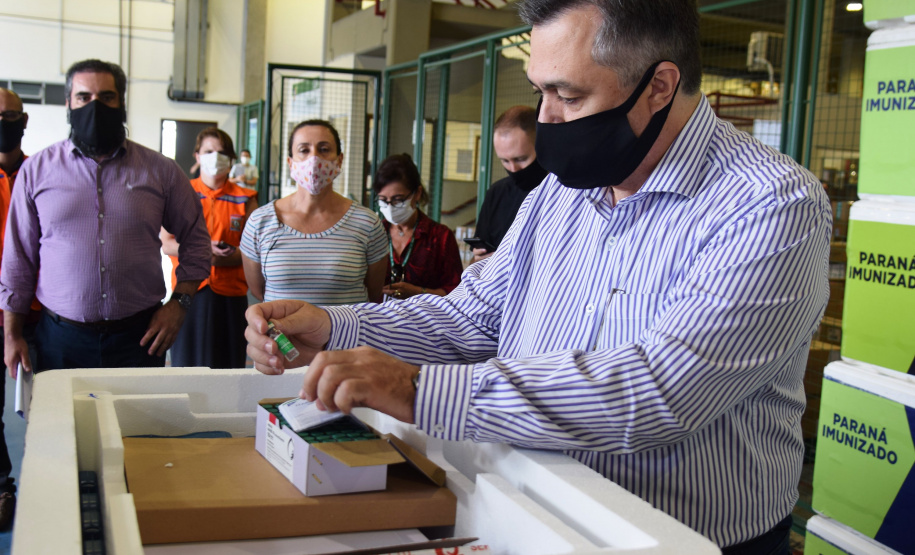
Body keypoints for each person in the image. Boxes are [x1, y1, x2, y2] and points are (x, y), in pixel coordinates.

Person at [245, 1, 832, 553]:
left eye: (567, 95)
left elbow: (659, 390)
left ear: (659, 85)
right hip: (533, 508)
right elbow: (471, 318)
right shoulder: (561, 193)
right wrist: (335, 328)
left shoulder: (769, 204)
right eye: (539, 92)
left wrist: (419, 390)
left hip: (683, 539)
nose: (546, 118)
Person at [0, 59, 211, 374]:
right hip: (60, 340)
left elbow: (197, 242)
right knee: (61, 409)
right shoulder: (37, 171)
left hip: (140, 339)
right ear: (69, 104)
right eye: (84, 97)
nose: (95, 107)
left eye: (107, 97)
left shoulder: (161, 171)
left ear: (121, 103)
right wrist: (12, 334)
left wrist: (179, 305)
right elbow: (19, 260)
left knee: (140, 410)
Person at [240, 120, 387, 305]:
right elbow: (257, 290)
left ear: (339, 160)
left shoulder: (367, 223)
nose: (314, 159)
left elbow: (373, 292)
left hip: (349, 325)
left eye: (324, 149)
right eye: (304, 150)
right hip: (281, 325)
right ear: (290, 162)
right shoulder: (260, 221)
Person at [161, 128, 257, 369]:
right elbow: (166, 243)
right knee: (187, 366)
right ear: (197, 156)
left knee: (229, 368)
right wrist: (204, 250)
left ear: (231, 159)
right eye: (209, 151)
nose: (215, 157)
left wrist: (228, 255)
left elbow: (255, 249)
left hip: (231, 295)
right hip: (189, 291)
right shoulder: (181, 192)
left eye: (222, 152)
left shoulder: (246, 198)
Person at [0, 88, 36, 529]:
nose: (3, 122)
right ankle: (2, 488)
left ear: (24, 121)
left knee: (43, 404)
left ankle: (49, 481)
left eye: (10, 115)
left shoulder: (40, 172)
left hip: (38, 312)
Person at [373, 154, 462, 300]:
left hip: (425, 314)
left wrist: (419, 292)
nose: (390, 207)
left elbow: (457, 293)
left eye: (398, 200)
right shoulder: (374, 233)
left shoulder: (440, 237)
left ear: (417, 194)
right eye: (383, 200)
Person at [472, 106, 547, 263]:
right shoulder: (496, 193)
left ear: (541, 145)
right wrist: (480, 259)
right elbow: (476, 259)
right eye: (505, 161)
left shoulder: (563, 191)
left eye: (520, 159)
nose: (513, 169)